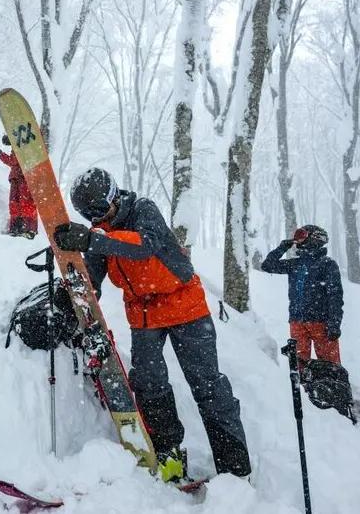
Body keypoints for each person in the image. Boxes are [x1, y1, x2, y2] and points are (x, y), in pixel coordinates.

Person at [52, 168, 251, 482]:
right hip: (144, 315)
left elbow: (145, 245)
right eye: (91, 216)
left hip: (185, 306)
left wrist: (95, 239)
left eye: (101, 210)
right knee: (148, 384)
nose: (99, 218)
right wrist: (71, 293)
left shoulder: (143, 209)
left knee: (208, 387)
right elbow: (94, 282)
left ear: (113, 196)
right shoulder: (100, 234)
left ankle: (236, 471)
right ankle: (170, 457)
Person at [261, 225, 344, 367]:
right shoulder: (295, 264)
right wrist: (282, 247)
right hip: (297, 322)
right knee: (300, 367)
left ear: (315, 238)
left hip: (321, 323)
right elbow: (267, 265)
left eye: (302, 235)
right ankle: (306, 389)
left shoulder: (327, 264)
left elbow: (335, 295)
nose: (298, 240)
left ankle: (333, 388)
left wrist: (334, 324)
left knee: (330, 366)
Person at [0, 135, 38, 238]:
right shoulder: (18, 144)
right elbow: (12, 161)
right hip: (16, 177)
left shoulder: (27, 141)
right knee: (15, 203)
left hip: (26, 177)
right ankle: (16, 228)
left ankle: (28, 229)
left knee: (25, 203)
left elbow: (14, 160)